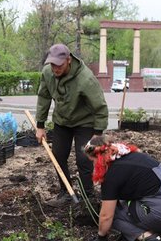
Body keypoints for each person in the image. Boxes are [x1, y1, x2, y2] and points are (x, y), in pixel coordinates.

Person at [34, 43, 109, 207]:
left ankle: (88, 196)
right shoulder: (48, 73)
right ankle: (66, 193)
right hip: (62, 121)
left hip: (85, 122)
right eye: (52, 64)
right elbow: (44, 98)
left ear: (68, 60)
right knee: (58, 156)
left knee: (84, 159)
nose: (55, 69)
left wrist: (98, 133)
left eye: (58, 65)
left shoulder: (85, 79)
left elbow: (100, 107)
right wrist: (40, 125)